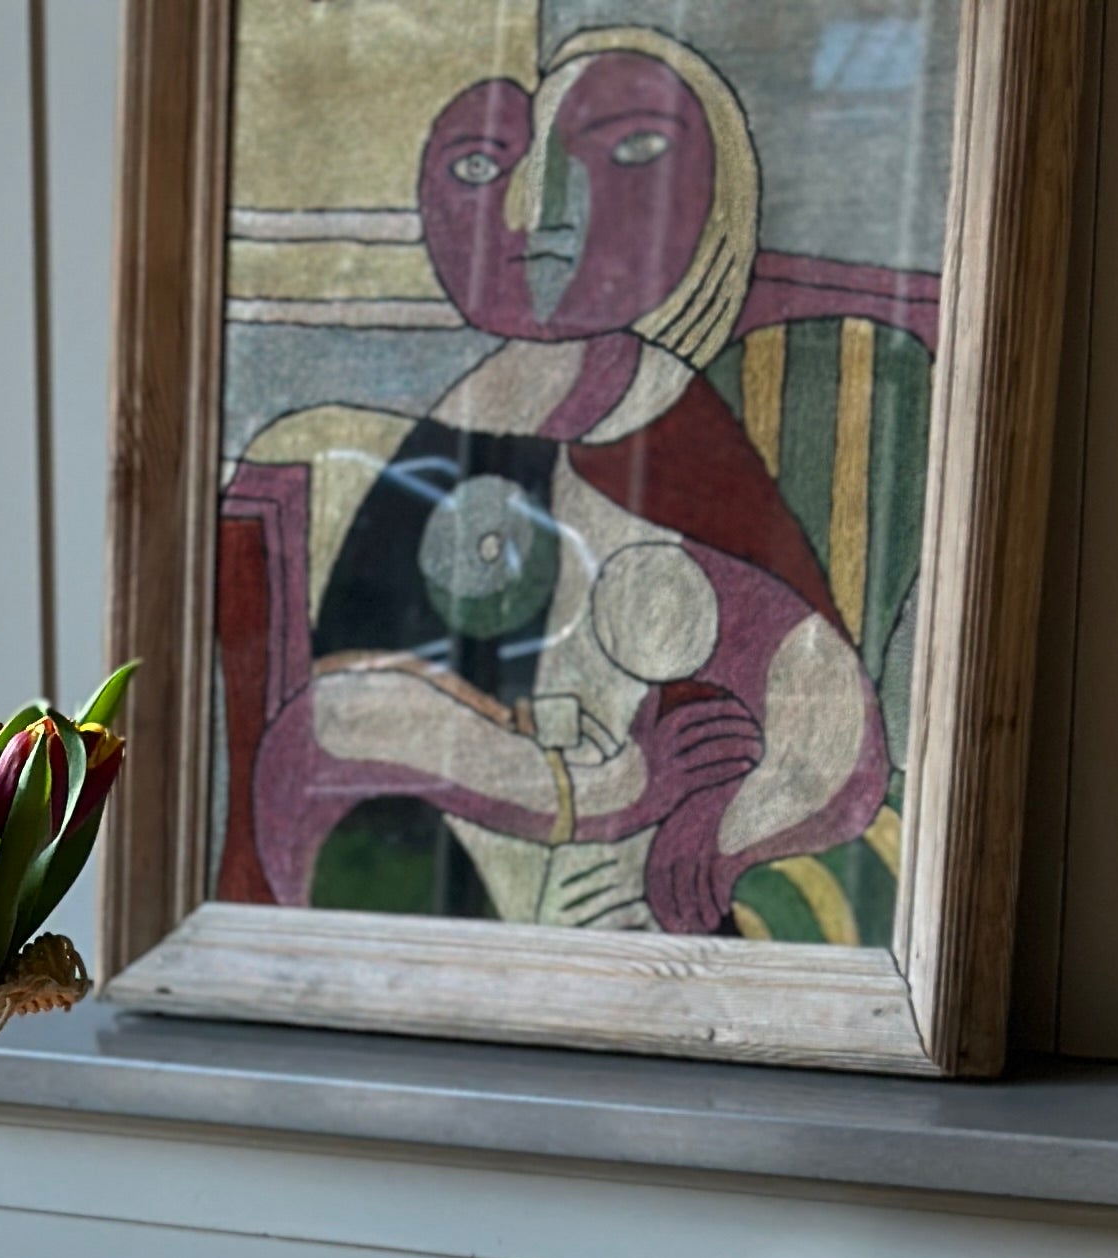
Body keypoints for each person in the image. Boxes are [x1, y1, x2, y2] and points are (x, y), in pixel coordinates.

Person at [233, 24, 889, 937]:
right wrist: (598, 788)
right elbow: (335, 728)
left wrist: (724, 827)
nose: (539, 211)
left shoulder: (667, 423)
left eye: (631, 152)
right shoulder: (464, 423)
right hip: (427, 895)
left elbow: (826, 718)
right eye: (478, 167)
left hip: (619, 926)